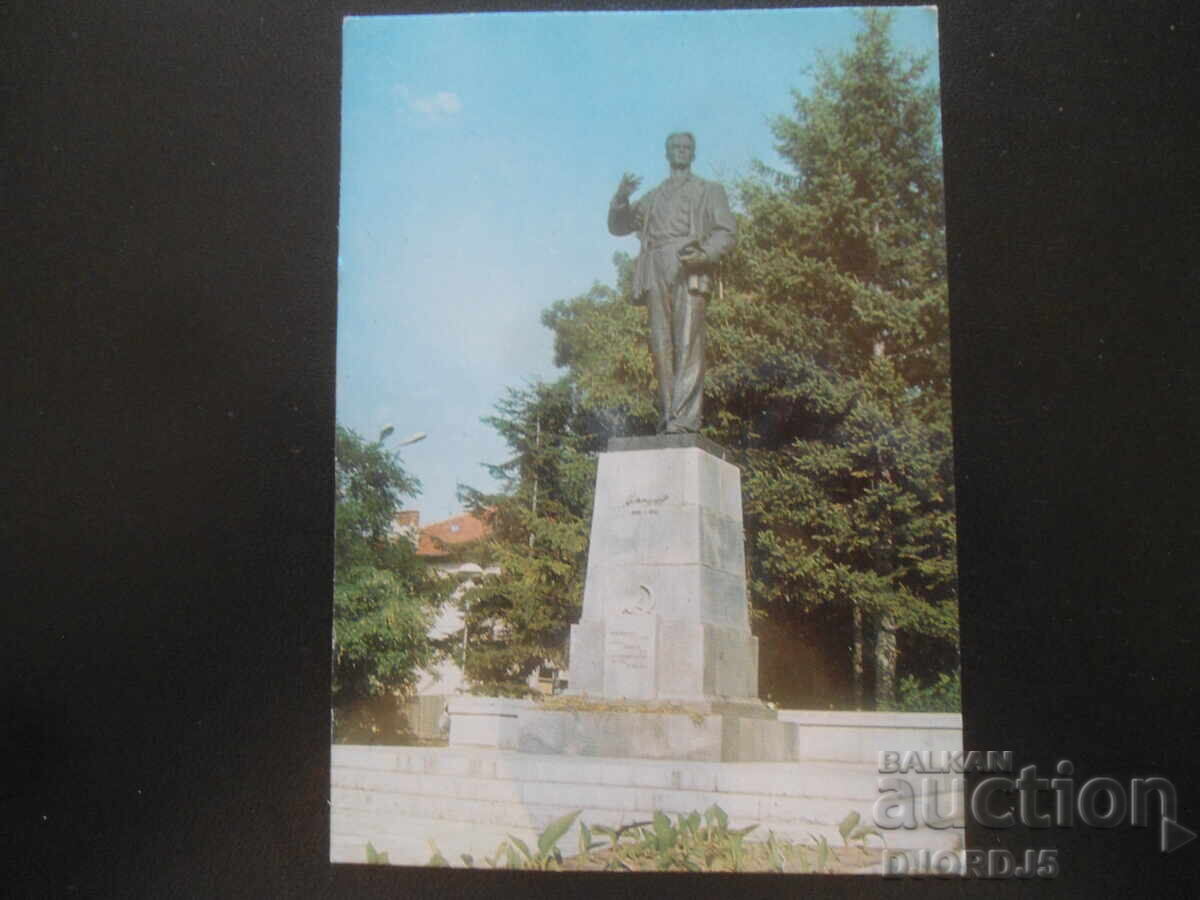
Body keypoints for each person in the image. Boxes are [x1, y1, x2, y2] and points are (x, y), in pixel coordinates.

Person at [607, 132, 736, 434]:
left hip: (688, 265)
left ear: (693, 153)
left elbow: (726, 231)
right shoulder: (653, 197)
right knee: (660, 345)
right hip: (655, 268)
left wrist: (703, 254)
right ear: (667, 153)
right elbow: (619, 226)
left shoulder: (709, 190)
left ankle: (685, 419)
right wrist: (621, 198)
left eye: (686, 147)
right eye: (675, 147)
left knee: (688, 341)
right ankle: (669, 416)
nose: (681, 151)